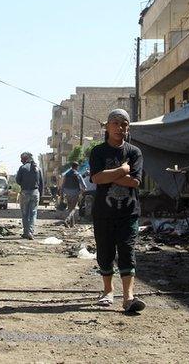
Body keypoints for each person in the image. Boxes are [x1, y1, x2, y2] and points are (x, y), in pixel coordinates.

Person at [89, 109, 146, 314]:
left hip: (128, 212)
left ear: (128, 128)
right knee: (104, 251)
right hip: (103, 212)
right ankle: (107, 290)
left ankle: (128, 297)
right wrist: (121, 171)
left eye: (124, 124)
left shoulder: (134, 152)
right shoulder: (98, 152)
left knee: (127, 251)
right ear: (107, 126)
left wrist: (108, 175)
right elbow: (96, 178)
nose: (119, 128)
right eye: (115, 123)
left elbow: (135, 182)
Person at [15, 151, 43, 240]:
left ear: (25, 159)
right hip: (35, 193)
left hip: (25, 193)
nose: (20, 160)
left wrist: (24, 183)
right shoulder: (38, 168)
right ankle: (31, 232)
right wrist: (40, 195)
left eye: (21, 159)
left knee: (25, 213)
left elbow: (18, 181)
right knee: (33, 214)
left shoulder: (22, 168)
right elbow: (41, 183)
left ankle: (26, 232)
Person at [60, 161, 83, 227]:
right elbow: (83, 185)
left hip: (67, 193)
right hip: (75, 193)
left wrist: (62, 194)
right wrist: (82, 192)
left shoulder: (66, 174)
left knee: (70, 208)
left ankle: (72, 224)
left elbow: (63, 184)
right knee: (73, 208)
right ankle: (67, 220)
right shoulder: (77, 174)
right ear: (77, 167)